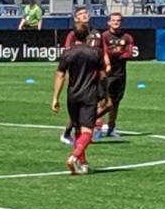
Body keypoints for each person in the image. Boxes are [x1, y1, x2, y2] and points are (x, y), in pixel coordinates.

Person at [50, 20, 107, 176]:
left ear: (73, 35)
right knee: (88, 131)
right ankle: (74, 157)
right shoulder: (95, 52)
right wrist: (105, 95)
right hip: (89, 95)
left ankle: (83, 163)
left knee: (77, 129)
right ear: (88, 35)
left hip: (72, 95)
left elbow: (60, 75)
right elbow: (102, 75)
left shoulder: (68, 53)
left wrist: (55, 97)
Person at [96, 11, 139, 142]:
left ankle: (111, 127)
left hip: (120, 74)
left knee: (116, 102)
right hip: (105, 73)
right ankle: (97, 128)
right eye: (113, 20)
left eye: (118, 20)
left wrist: (114, 51)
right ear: (109, 22)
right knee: (102, 101)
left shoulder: (127, 37)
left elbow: (129, 53)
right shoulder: (103, 36)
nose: (116, 22)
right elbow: (101, 52)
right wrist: (117, 51)